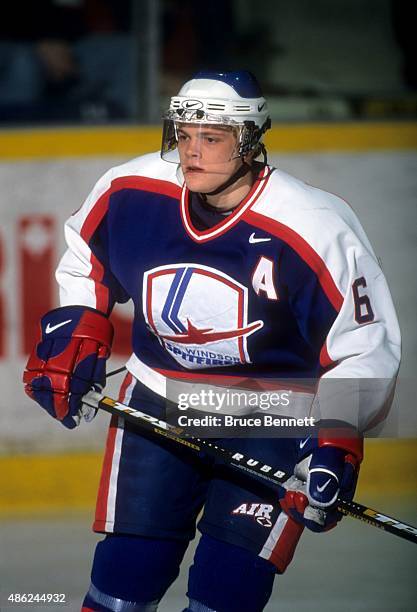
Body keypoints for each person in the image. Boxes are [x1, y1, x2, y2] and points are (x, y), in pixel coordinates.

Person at [23, 71, 401, 612]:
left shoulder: (315, 224)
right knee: (125, 575)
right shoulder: (131, 189)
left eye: (212, 137)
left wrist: (337, 440)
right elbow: (86, 259)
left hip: (273, 416)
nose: (192, 151)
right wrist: (79, 327)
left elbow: (364, 342)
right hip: (160, 401)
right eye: (183, 134)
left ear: (249, 142)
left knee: (229, 591)